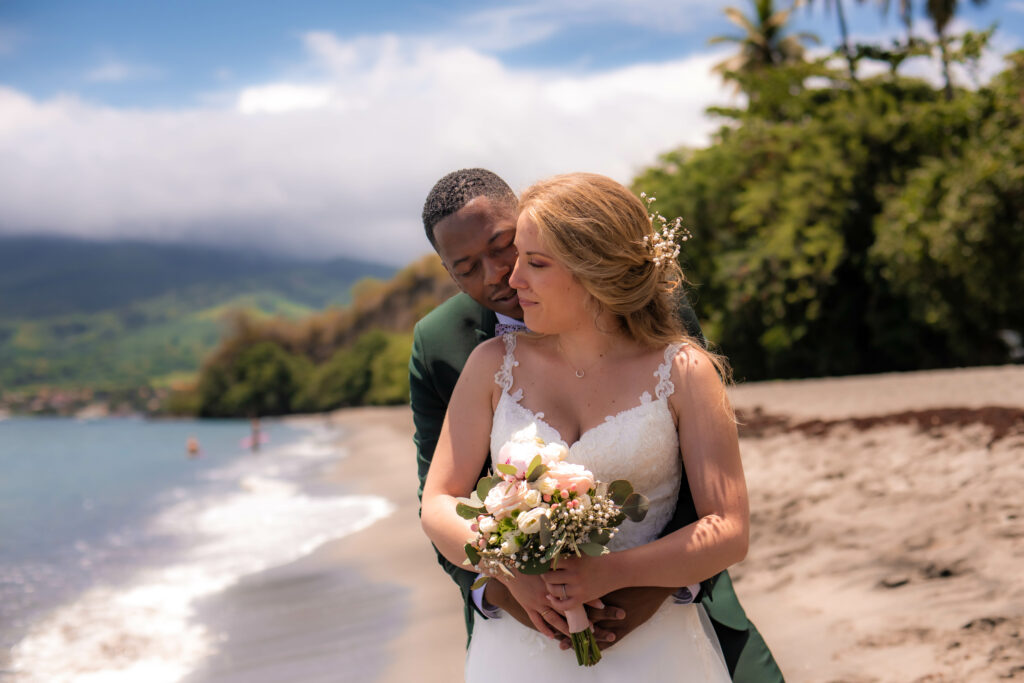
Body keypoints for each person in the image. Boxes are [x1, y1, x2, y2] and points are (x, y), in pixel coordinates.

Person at [411, 169, 783, 680]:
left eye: (523, 256)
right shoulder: (483, 360)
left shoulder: (678, 363)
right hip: (522, 642)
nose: (507, 276)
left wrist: (618, 580)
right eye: (467, 268)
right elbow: (438, 500)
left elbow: (724, 523)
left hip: (665, 624)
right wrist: (510, 575)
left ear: (593, 269)